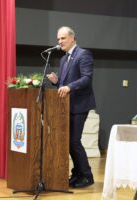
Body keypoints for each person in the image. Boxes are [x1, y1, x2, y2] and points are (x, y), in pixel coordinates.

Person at [47, 26, 96, 188]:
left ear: (72, 38)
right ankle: (77, 173)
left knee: (74, 141)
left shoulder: (83, 54)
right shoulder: (63, 59)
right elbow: (64, 83)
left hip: (80, 105)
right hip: (66, 106)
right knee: (68, 141)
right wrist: (57, 82)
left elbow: (87, 78)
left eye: (63, 38)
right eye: (58, 39)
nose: (60, 42)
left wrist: (69, 87)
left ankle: (87, 176)